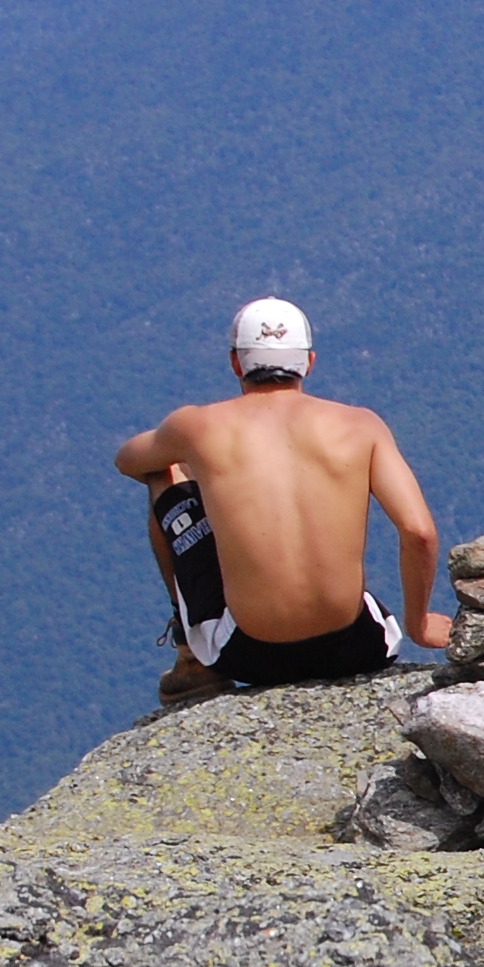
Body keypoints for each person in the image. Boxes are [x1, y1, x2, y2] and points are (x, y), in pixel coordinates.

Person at [115, 298, 451, 706]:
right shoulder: (361, 425)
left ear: (236, 364)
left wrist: (202, 467)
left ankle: (191, 653)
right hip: (356, 649)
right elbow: (418, 531)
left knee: (162, 473)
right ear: (309, 362)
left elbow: (129, 460)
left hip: (247, 655)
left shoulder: (197, 426)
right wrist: (420, 625)